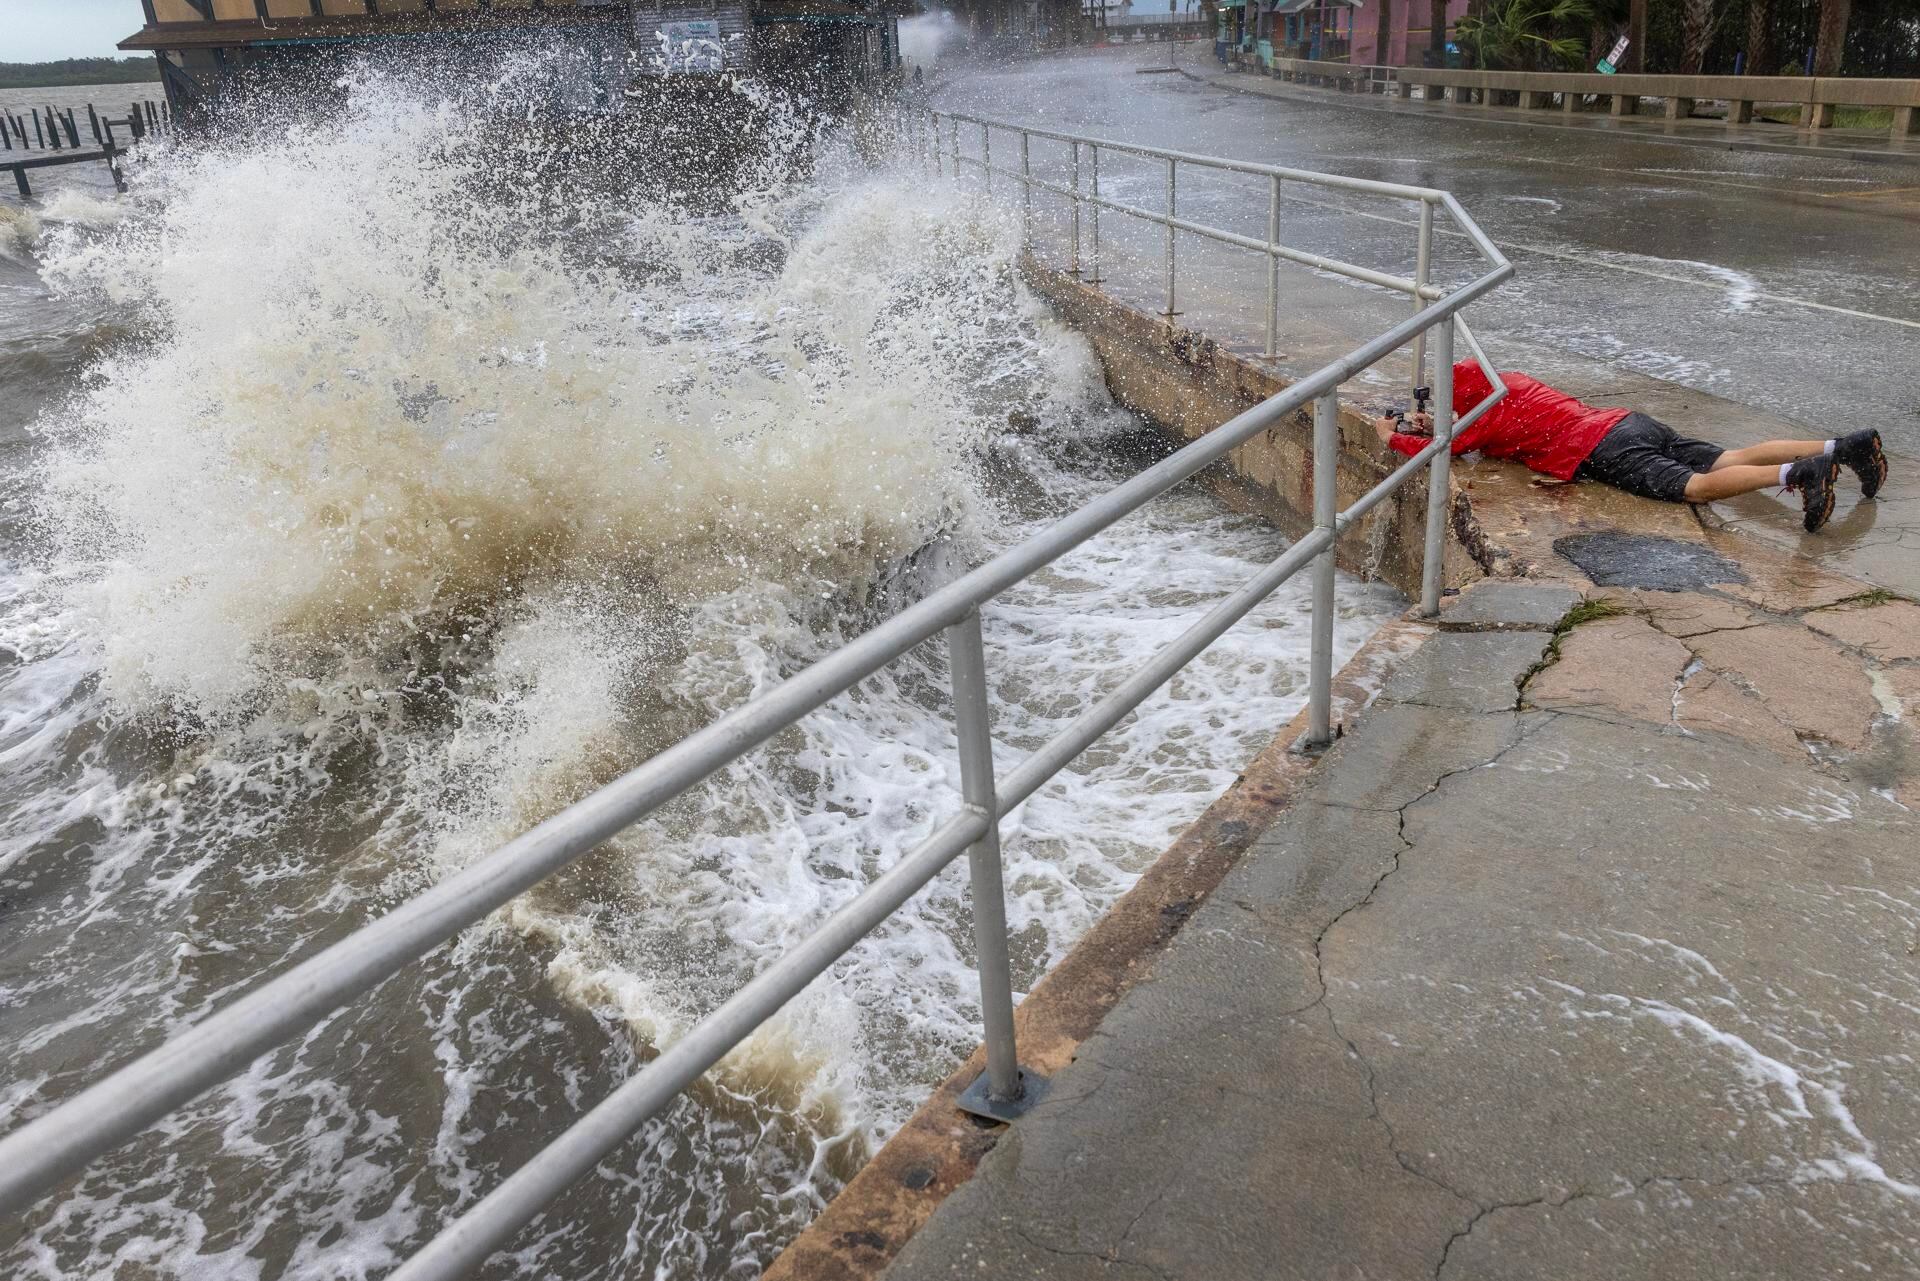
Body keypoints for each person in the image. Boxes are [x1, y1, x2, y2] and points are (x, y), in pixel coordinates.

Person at [1372, 362, 1887, 533]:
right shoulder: (1512, 384)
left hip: (1601, 449)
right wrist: (1448, 414)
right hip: (1628, 421)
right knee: (1730, 456)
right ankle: (1846, 446)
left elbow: (1444, 448)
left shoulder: (1482, 420)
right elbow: (1480, 418)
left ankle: (1799, 475)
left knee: (1697, 489)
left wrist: (1390, 434)